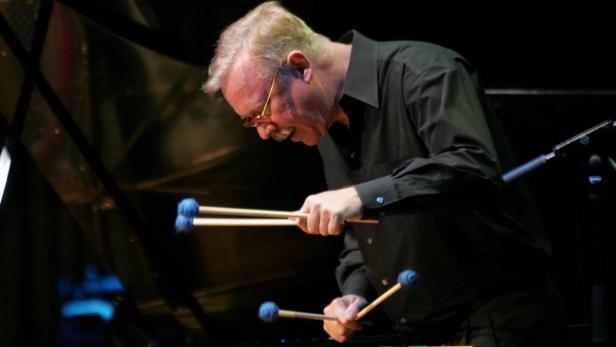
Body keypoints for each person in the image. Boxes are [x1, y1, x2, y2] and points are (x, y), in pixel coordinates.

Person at [202, 2, 566, 346]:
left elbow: (473, 167)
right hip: (419, 330)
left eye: (262, 113)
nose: (265, 132)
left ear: (300, 67)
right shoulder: (324, 123)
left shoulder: (423, 71)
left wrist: (360, 196)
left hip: (500, 319)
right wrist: (354, 295)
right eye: (252, 123)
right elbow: (364, 235)